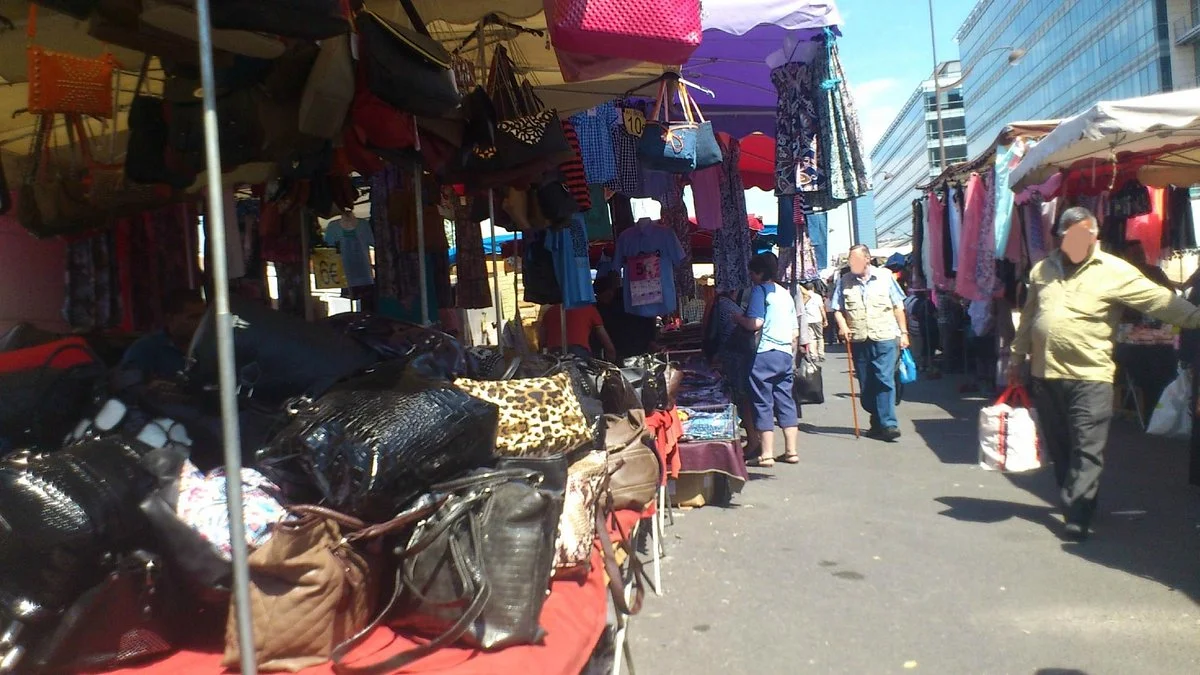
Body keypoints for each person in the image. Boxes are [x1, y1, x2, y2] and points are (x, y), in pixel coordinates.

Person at [1008, 207, 1200, 540]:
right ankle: (1076, 497)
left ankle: (1078, 511)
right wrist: (1015, 359)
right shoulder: (1042, 270)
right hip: (1046, 373)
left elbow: (1157, 299)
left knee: (1087, 446)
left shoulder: (1113, 270)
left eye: (1082, 236)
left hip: (1091, 374)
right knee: (1061, 446)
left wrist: (1195, 317)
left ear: (1094, 236)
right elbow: (1029, 318)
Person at [832, 245, 909, 442]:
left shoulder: (885, 277)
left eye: (856, 260)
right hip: (859, 338)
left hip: (885, 336)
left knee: (884, 378)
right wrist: (843, 326)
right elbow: (837, 309)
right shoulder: (845, 281)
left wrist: (904, 333)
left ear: (867, 259)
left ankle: (889, 424)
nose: (852, 264)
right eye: (850, 260)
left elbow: (898, 307)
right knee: (867, 383)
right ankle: (876, 419)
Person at [736, 253, 800, 467]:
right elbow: (794, 332)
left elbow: (755, 322)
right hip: (785, 354)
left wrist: (738, 318)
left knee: (762, 402)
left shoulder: (760, 290)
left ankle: (767, 454)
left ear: (761, 273)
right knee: (786, 400)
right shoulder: (785, 294)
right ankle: (791, 451)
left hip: (764, 354)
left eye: (753, 272)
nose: (751, 276)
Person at [705, 287, 757, 455]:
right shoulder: (732, 305)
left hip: (734, 357)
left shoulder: (723, 305)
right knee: (744, 397)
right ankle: (756, 439)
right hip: (741, 356)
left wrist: (714, 355)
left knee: (741, 397)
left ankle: (754, 440)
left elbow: (716, 333)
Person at [120, 289, 206, 381]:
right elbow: (127, 386)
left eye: (203, 317)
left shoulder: (209, 347)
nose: (201, 323)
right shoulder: (144, 350)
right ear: (169, 319)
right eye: (193, 317)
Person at [593, 273, 657, 359]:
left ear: (612, 290)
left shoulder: (629, 298)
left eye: (607, 295)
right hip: (620, 349)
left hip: (639, 344)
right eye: (602, 298)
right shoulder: (599, 307)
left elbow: (648, 316)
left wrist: (652, 339)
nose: (605, 300)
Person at [539, 301, 617, 361]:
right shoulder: (589, 309)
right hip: (579, 354)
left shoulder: (549, 312)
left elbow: (541, 342)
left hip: (554, 356)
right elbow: (609, 348)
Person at [799, 284, 827, 360]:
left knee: (811, 338)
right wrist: (825, 319)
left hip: (808, 319)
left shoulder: (803, 296)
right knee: (820, 337)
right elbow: (821, 309)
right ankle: (821, 354)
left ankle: (813, 355)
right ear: (813, 288)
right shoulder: (818, 296)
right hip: (818, 318)